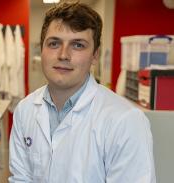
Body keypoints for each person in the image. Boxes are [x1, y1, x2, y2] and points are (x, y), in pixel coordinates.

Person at [8, 1, 156, 183]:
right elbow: (21, 179)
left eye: (77, 45)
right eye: (54, 43)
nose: (63, 55)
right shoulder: (25, 110)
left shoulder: (125, 120)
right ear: (42, 50)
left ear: (95, 55)